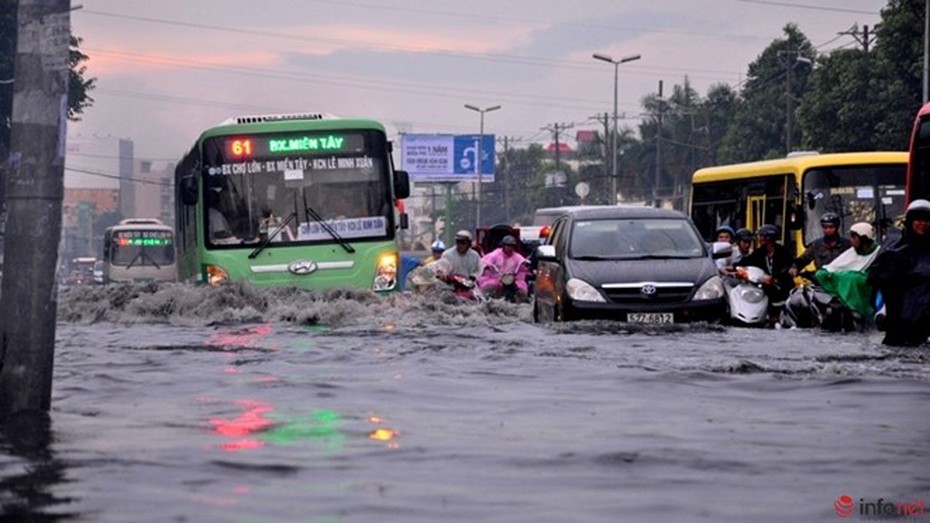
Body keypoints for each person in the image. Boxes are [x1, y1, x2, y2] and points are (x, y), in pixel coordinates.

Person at [867, 199, 930, 346]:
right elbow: (875, 281)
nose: (923, 224)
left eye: (927, 220)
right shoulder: (894, 249)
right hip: (901, 324)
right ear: (910, 221)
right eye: (918, 219)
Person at [811, 222, 881, 330]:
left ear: (863, 238)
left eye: (854, 237)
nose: (851, 241)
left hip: (870, 293)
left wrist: (848, 276)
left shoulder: (879, 252)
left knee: (854, 279)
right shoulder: (852, 252)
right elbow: (829, 269)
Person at [736, 224, 795, 315]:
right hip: (766, 286)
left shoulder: (783, 252)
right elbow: (747, 261)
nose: (759, 239)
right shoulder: (759, 252)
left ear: (768, 238)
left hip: (783, 286)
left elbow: (789, 267)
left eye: (761, 236)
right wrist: (733, 267)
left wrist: (777, 278)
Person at [789, 212, 851, 278]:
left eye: (831, 227)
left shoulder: (847, 245)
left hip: (841, 281)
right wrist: (795, 267)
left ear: (837, 227)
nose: (828, 230)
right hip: (821, 281)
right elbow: (803, 259)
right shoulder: (816, 245)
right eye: (825, 227)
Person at [478, 235, 530, 301]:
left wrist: (516, 278)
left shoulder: (518, 257)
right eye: (508, 246)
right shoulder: (495, 254)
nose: (510, 248)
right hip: (494, 279)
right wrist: (490, 269)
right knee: (488, 289)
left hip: (511, 280)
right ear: (503, 246)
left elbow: (522, 269)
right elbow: (485, 262)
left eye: (512, 246)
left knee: (522, 292)